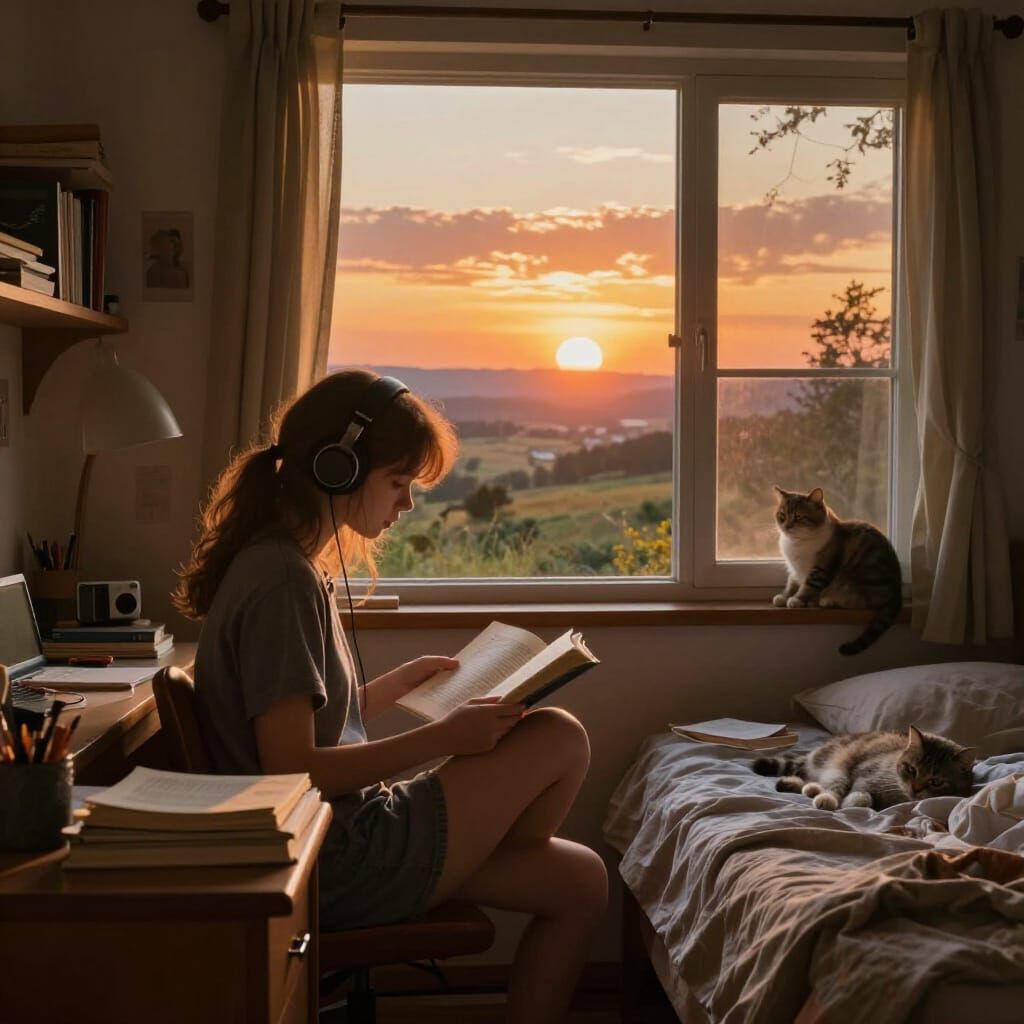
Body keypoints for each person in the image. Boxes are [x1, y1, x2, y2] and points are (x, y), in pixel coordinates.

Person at [174, 369, 607, 1024]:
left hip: (341, 833)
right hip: (333, 854)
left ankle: (474, 852)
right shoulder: (280, 581)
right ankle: (477, 848)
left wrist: (394, 687)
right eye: (399, 483)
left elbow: (310, 725)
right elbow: (293, 769)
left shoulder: (291, 566)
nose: (406, 505)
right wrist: (445, 738)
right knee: (559, 735)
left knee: (581, 883)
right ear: (339, 469)